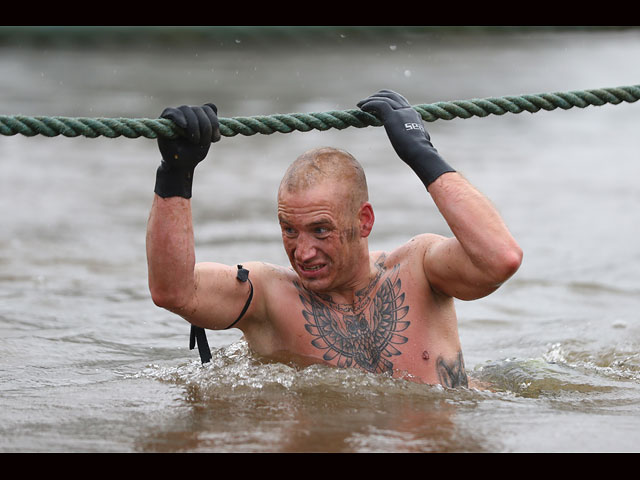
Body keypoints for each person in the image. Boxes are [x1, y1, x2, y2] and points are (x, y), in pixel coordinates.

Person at [146, 90, 523, 388]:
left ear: (364, 221)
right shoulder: (267, 295)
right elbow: (175, 291)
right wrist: (175, 175)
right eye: (289, 230)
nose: (303, 252)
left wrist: (420, 153)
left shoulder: (420, 267)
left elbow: (500, 257)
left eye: (320, 230)